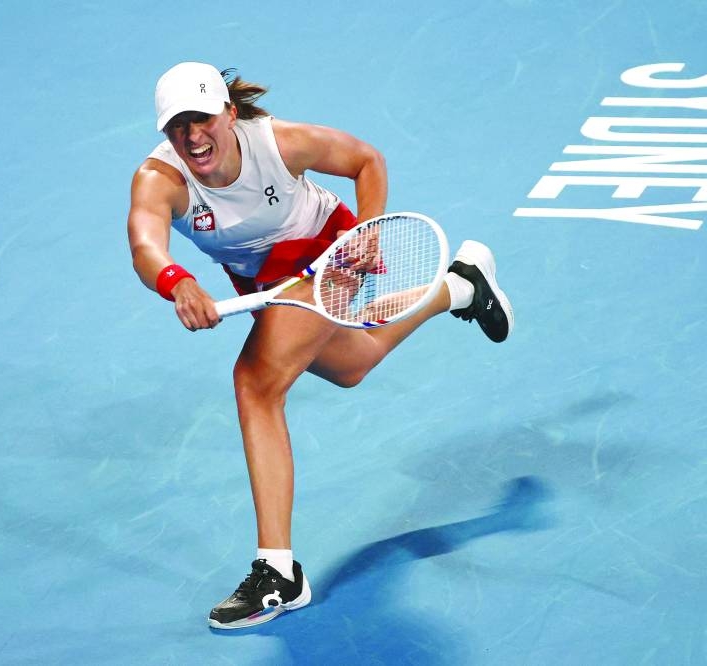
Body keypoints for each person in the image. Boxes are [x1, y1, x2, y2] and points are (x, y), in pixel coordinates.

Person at [126, 62, 514, 630]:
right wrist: (177, 281)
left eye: (203, 119)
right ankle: (460, 286)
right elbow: (145, 245)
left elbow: (366, 160)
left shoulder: (278, 143)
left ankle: (277, 572)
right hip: (263, 282)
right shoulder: (159, 178)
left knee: (255, 383)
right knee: (354, 364)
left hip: (327, 255)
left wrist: (368, 233)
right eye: (178, 125)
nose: (193, 136)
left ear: (228, 113)